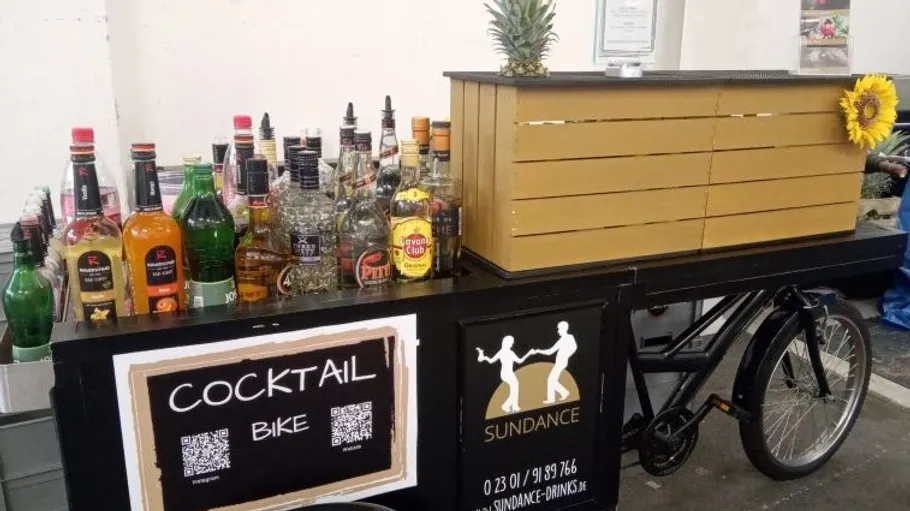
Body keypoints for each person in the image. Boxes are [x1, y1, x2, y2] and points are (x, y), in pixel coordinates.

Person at [477, 336, 534, 413]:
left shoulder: (507, 352)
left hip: (510, 373)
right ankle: (513, 406)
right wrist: (529, 353)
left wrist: (483, 357)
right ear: (506, 342)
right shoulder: (504, 352)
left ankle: (508, 406)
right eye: (511, 342)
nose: (512, 344)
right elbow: (519, 361)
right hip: (506, 374)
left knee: (515, 388)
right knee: (515, 387)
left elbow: (491, 361)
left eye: (512, 342)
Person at [533, 321, 578, 404]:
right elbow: (550, 351)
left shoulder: (569, 337)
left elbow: (574, 347)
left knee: (550, 380)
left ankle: (553, 398)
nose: (558, 331)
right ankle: (564, 393)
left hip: (561, 362)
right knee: (552, 380)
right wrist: (539, 351)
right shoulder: (561, 340)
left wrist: (566, 355)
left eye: (559, 329)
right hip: (559, 362)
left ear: (564, 329)